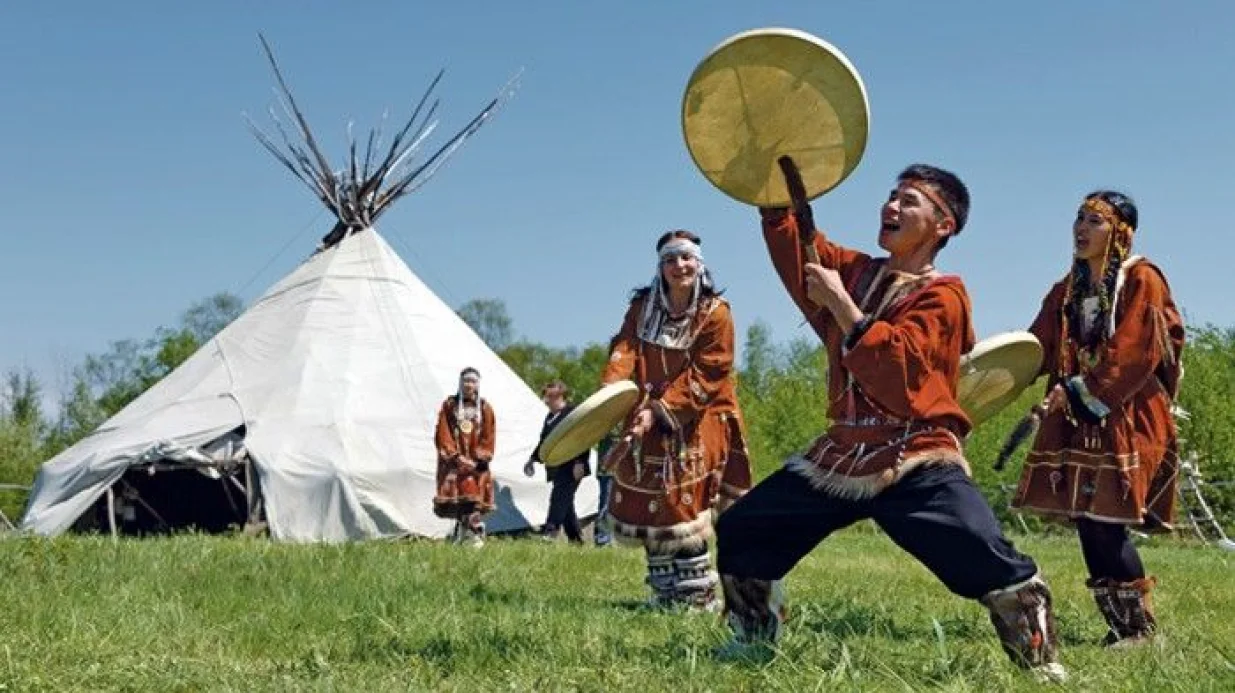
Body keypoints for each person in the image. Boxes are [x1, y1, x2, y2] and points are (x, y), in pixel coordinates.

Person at [714, 161, 1065, 681]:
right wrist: (775, 185)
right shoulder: (858, 272)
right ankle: (753, 635)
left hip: (916, 452)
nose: (891, 206)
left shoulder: (944, 295)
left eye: (909, 201)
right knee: (746, 527)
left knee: (980, 548)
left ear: (943, 225)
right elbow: (799, 247)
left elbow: (900, 375)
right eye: (891, 196)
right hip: (842, 453)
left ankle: (1039, 659)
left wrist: (843, 306)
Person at [1012, 190, 1184, 647]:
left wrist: (1079, 390)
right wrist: (989, 373)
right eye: (1079, 218)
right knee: (1088, 522)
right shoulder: (1065, 290)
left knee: (1106, 520)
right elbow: (1037, 346)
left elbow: (1136, 350)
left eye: (1095, 220)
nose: (1081, 228)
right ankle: (1122, 628)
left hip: (1127, 413)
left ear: (1120, 232)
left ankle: (1142, 632)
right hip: (1080, 419)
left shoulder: (1141, 278)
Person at [601, 229, 752, 610]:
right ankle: (665, 591)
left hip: (699, 415)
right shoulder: (643, 307)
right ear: (660, 267)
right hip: (648, 412)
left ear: (699, 264)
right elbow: (626, 348)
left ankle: (697, 596)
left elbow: (711, 369)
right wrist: (612, 394)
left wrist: (661, 408)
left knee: (683, 500)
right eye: (670, 259)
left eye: (686, 258)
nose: (678, 266)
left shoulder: (716, 312)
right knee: (650, 498)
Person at [433, 366, 496, 547]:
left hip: (477, 463)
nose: (469, 384)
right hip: (454, 462)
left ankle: (474, 535)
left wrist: (481, 458)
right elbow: (442, 431)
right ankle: (463, 533)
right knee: (460, 499)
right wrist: (454, 456)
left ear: (477, 385)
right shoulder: (449, 405)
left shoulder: (485, 407)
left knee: (473, 498)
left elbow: (489, 434)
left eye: (472, 381)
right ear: (460, 383)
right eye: (466, 381)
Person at [524, 381, 591, 544]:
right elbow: (544, 442)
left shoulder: (572, 413)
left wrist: (580, 461)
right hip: (557, 466)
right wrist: (533, 459)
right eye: (546, 396)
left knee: (558, 497)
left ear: (562, 396)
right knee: (566, 503)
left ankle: (550, 532)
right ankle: (576, 539)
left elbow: (582, 438)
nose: (548, 400)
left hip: (572, 465)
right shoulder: (550, 417)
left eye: (552, 396)